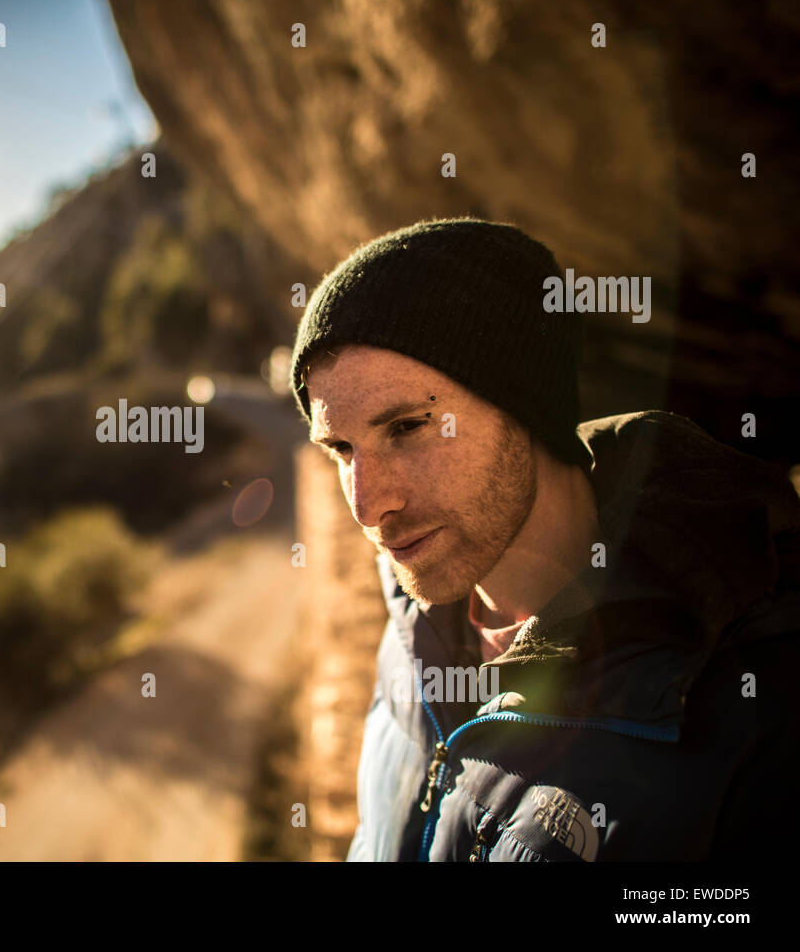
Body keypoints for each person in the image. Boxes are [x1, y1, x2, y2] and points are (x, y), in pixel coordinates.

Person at [289, 218, 800, 861]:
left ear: (525, 404)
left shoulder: (758, 698)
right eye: (341, 448)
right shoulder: (410, 631)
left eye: (410, 427)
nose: (367, 505)